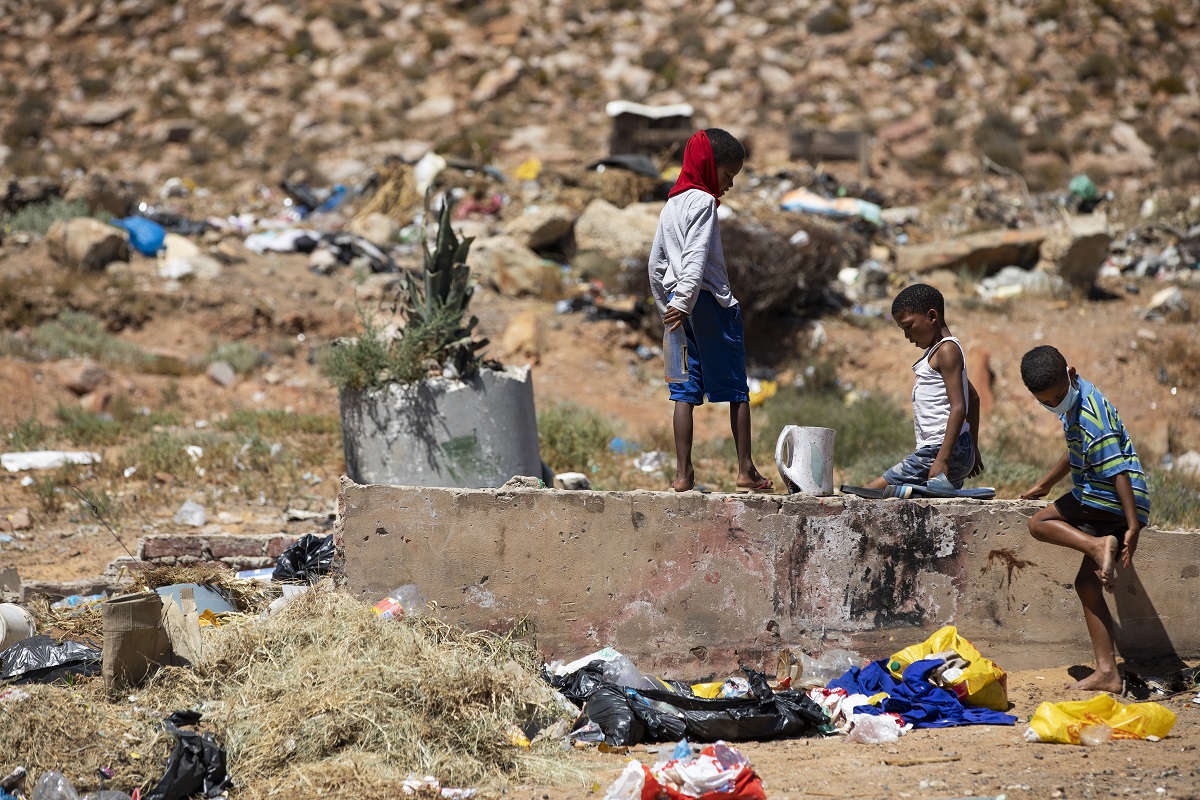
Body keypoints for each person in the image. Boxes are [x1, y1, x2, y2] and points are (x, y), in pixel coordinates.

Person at [647, 128, 773, 493]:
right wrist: (686, 302)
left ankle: (683, 475)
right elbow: (696, 258)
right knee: (737, 388)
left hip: (676, 305)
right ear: (709, 165)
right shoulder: (703, 202)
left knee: (683, 392)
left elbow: (656, 263)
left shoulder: (671, 202)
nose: (730, 184)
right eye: (729, 175)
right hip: (707, 302)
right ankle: (746, 470)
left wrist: (667, 307)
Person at [1018, 345, 1150, 693]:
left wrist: (1132, 525)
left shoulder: (1090, 412)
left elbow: (1116, 467)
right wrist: (1045, 484)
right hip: (1116, 500)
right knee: (1087, 585)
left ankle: (1095, 545)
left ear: (1071, 374)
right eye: (1048, 402)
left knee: (1039, 524)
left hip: (1108, 495)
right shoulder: (1080, 399)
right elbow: (1077, 450)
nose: (1056, 403)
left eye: (1060, 395)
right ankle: (1108, 673)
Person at [865, 283, 984, 491]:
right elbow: (973, 398)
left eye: (909, 326)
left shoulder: (947, 351)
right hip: (953, 450)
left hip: (939, 451)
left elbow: (960, 407)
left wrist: (942, 460)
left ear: (931, 316)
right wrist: (972, 447)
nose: (907, 336)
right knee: (912, 497)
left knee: (868, 492)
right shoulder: (939, 353)